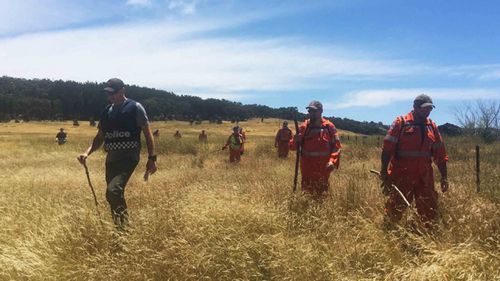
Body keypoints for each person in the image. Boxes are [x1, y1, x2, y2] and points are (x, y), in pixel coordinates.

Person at [77, 78, 157, 229]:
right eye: (108, 94)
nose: (110, 97)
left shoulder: (135, 107)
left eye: (113, 93)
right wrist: (87, 152)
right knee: (112, 194)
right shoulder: (106, 112)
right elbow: (100, 137)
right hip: (111, 159)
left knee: (113, 191)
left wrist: (152, 158)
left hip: (129, 156)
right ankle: (121, 228)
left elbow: (147, 134)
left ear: (122, 90)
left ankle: (123, 229)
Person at [379, 94, 448, 228]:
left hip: (424, 177)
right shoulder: (401, 123)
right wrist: (384, 172)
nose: (428, 111)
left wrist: (444, 177)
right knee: (396, 207)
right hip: (402, 176)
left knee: (429, 209)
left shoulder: (432, 126)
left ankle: (427, 236)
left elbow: (440, 154)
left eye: (430, 109)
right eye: (425, 108)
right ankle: (388, 232)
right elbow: (387, 149)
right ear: (415, 107)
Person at [290, 101, 341, 195]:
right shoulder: (304, 127)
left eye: (314, 111)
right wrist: (295, 140)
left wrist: (332, 161)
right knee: (306, 193)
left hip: (323, 168)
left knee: (322, 193)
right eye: (310, 111)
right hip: (307, 168)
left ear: (321, 111)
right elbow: (293, 147)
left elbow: (336, 147)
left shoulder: (329, 127)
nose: (311, 114)